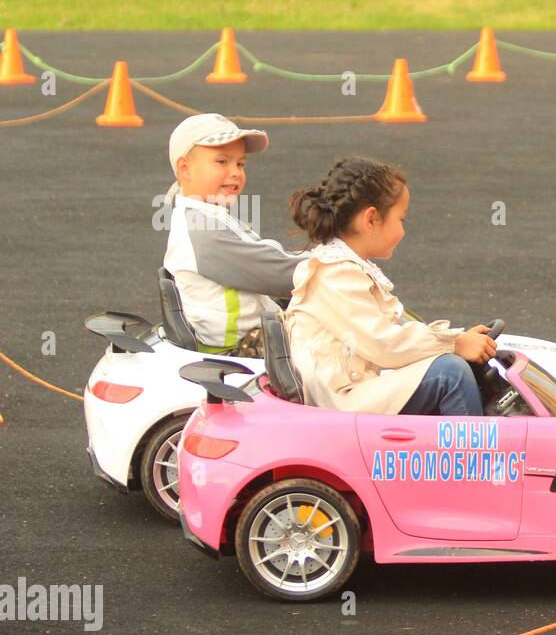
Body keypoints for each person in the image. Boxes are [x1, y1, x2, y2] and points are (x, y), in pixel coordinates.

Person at [283, 156, 495, 416]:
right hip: (341, 402)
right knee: (450, 375)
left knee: (448, 365)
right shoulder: (335, 273)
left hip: (351, 390)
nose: (403, 231)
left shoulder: (345, 268)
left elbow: (389, 338)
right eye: (401, 219)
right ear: (371, 219)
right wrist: (453, 344)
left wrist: (458, 340)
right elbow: (384, 344)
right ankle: (473, 455)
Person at [162, 113, 303, 354]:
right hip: (235, 350)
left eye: (240, 163)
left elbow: (264, 254)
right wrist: (330, 266)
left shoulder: (210, 214)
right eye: (222, 162)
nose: (236, 172)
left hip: (250, 336)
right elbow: (274, 272)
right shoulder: (203, 231)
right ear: (185, 168)